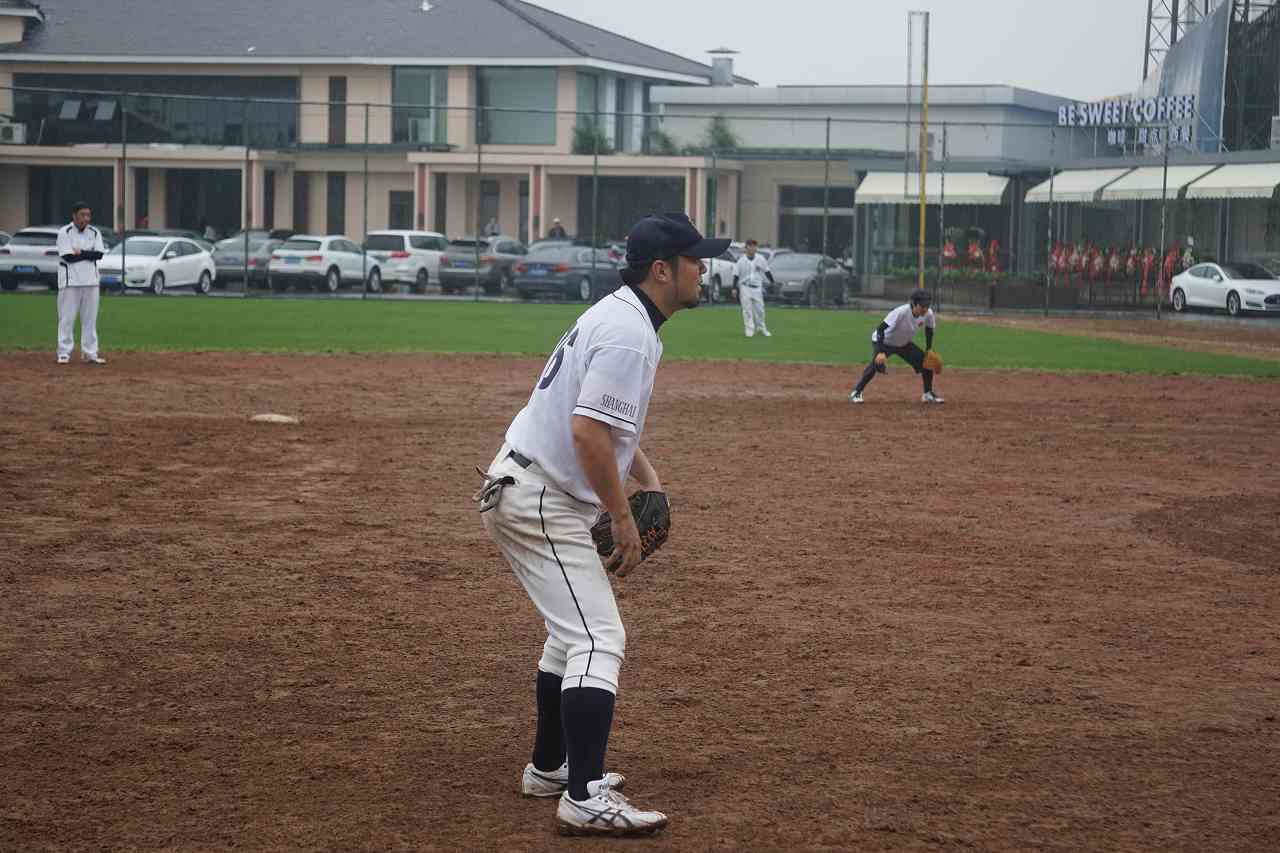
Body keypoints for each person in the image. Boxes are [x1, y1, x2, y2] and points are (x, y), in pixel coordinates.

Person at [474, 211, 725, 837]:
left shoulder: (624, 317)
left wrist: (650, 482)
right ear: (662, 270)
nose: (703, 269)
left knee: (571, 634)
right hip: (540, 499)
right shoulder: (628, 334)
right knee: (599, 638)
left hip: (527, 487)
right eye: (694, 260)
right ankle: (583, 797)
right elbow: (588, 432)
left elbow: (607, 425)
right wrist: (621, 516)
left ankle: (550, 767)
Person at [849, 288, 942, 404]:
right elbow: (880, 329)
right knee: (876, 363)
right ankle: (856, 392)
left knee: (926, 362)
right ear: (914, 304)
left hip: (903, 343)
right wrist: (880, 352)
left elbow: (929, 330)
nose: (925, 309)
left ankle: (928, 394)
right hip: (885, 341)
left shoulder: (928, 313)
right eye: (922, 306)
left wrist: (928, 350)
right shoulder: (901, 312)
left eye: (927, 306)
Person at [55, 201, 107, 366]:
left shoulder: (94, 232)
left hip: (91, 281)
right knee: (67, 319)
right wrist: (88, 254)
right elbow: (68, 257)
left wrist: (81, 252)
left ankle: (90, 353)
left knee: (90, 320)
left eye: (88, 215)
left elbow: (99, 255)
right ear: (74, 216)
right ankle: (64, 353)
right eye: (82, 215)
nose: (86, 218)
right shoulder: (65, 232)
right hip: (70, 282)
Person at [733, 239, 774, 338]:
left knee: (760, 310)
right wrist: (734, 288)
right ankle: (749, 329)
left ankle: (761, 328)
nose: (753, 248)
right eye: (750, 246)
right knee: (747, 310)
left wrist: (772, 282)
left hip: (757, 288)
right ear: (746, 248)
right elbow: (736, 274)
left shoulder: (760, 259)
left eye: (754, 246)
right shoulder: (741, 260)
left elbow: (767, 271)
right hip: (745, 287)